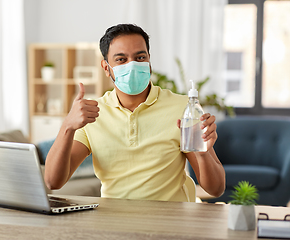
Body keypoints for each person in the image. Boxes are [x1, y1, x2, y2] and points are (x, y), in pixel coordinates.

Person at [44, 23, 225, 202]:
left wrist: (202, 154)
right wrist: (68, 126)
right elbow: (53, 181)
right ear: (106, 68)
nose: (132, 66)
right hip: (114, 221)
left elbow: (216, 189)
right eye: (121, 59)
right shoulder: (92, 114)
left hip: (170, 222)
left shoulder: (182, 107)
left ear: (149, 62)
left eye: (139, 58)